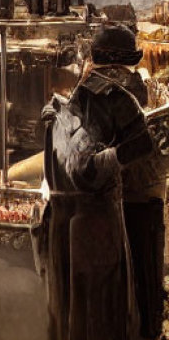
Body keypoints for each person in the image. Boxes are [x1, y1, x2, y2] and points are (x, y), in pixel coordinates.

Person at [40, 23, 156, 340]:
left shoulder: (67, 100)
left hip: (62, 225)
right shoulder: (119, 98)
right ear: (123, 64)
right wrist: (111, 158)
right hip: (97, 222)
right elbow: (142, 146)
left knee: (70, 313)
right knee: (104, 311)